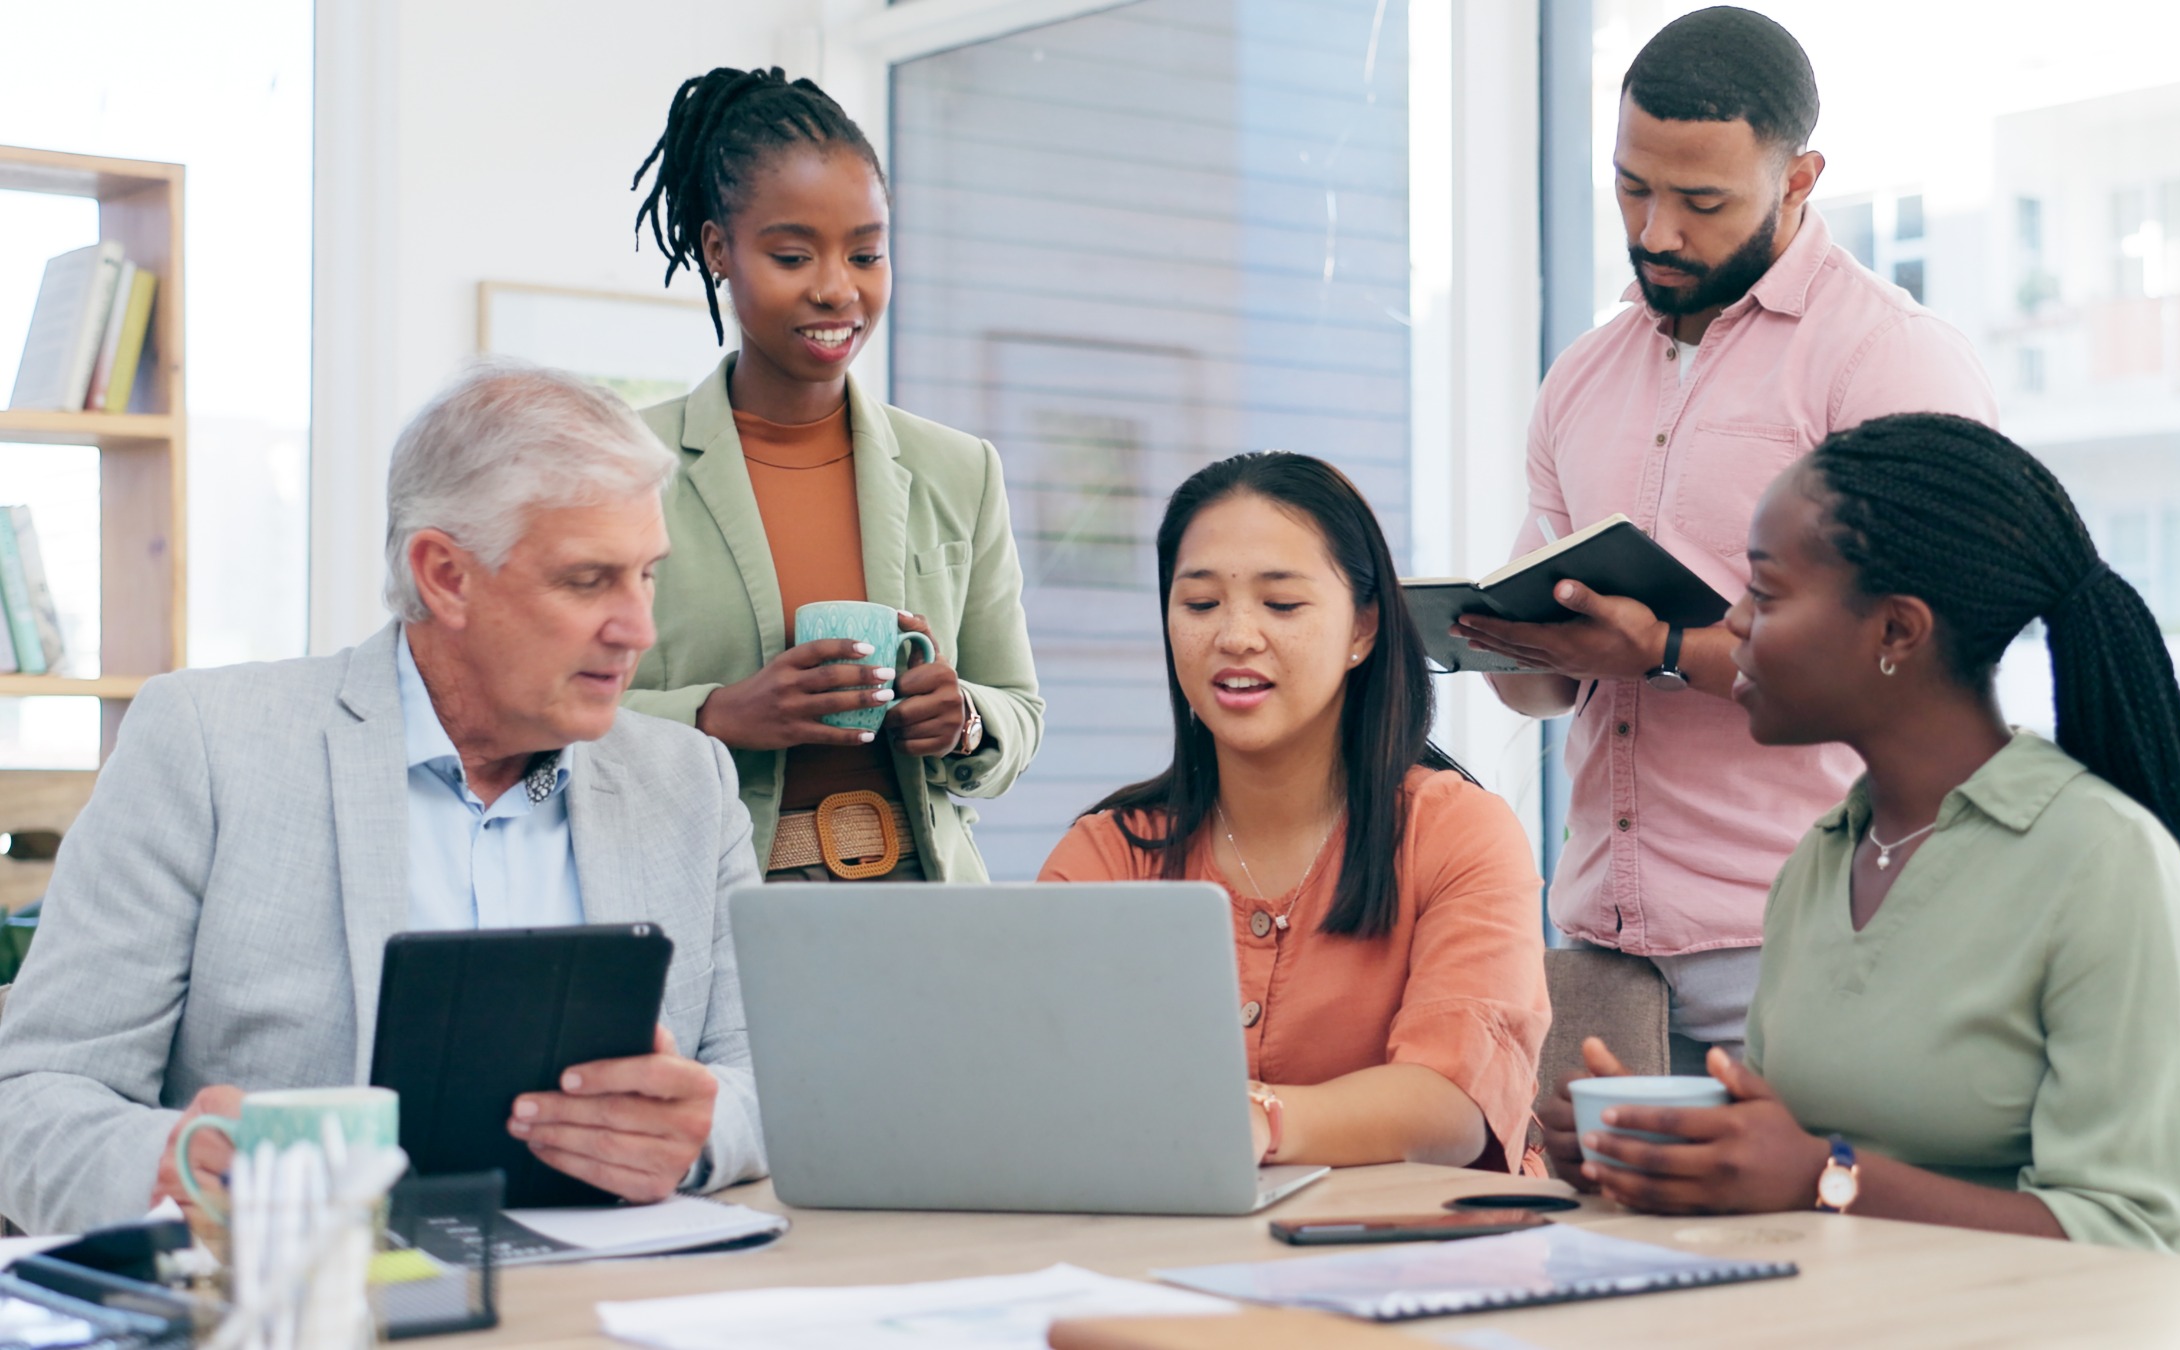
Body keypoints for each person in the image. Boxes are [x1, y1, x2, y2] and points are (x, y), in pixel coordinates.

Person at [0, 363, 767, 1236]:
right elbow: (33, 1100)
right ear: (444, 574)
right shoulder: (208, 744)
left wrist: (701, 1133)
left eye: (647, 575)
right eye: (588, 581)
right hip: (313, 1303)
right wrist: (176, 1162)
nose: (637, 628)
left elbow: (772, 1079)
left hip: (619, 1303)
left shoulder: (690, 781)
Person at [1540, 413, 2180, 1257]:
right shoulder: (1824, 857)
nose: (1735, 623)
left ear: (1896, 631)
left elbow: (2138, 1239)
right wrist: (1660, 1155)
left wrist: (1826, 1177)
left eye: (1767, 594)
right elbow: (1786, 1153)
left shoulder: (2102, 861)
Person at [1457, 7, 1997, 1061]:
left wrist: (1661, 651)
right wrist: (1510, 644)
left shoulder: (1889, 364)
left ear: (1799, 180)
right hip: (1595, 955)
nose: (1657, 231)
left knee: (1814, 1235)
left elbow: (1925, 673)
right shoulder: (1580, 376)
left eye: (1700, 201)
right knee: (1583, 1234)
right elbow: (1541, 693)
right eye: (1631, 187)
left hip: (1817, 948)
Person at [1040, 453, 1552, 1174]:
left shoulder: (1458, 832)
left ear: (1363, 629)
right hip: (1179, 1252)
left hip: (1423, 1254)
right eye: (1199, 604)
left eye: (1281, 605)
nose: (1236, 635)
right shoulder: (1108, 853)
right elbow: (1041, 1080)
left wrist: (1258, 1122)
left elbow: (1454, 1105)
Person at [623, 66, 1041, 883]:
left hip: (923, 914)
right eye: (791, 255)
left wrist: (962, 721)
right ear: (719, 249)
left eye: (867, 254)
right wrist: (717, 715)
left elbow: (1019, 711)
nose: (836, 289)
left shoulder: (961, 471)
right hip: (717, 907)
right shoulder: (626, 469)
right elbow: (547, 718)